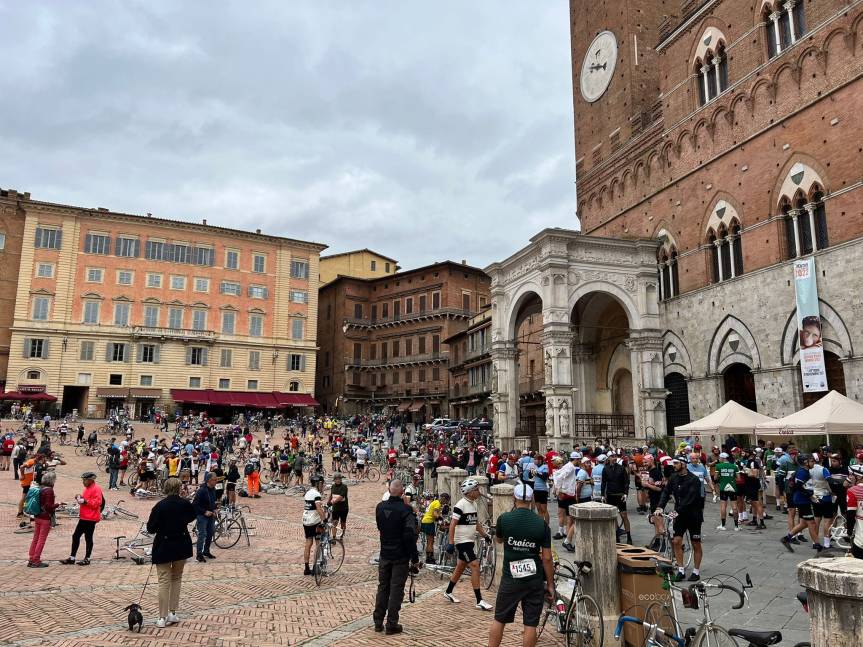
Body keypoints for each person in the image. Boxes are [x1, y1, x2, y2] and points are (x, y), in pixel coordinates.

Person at [487, 483, 554, 647]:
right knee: (530, 624)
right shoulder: (541, 524)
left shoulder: (504, 519)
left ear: (514, 499)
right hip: (533, 579)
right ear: (532, 500)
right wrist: (550, 585)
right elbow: (547, 558)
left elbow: (499, 540)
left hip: (510, 579)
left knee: (499, 619)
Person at [146, 477, 197, 628]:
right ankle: (172, 612)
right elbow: (192, 516)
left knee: (164, 581)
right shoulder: (185, 503)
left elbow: (150, 528)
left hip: (164, 545)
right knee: (176, 578)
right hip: (181, 543)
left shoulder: (160, 506)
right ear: (179, 488)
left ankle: (162, 617)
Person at [373, 479, 419, 635]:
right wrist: (415, 558)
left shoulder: (380, 507)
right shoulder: (406, 510)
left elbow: (380, 527)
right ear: (402, 492)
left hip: (384, 553)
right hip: (400, 556)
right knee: (396, 589)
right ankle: (392, 623)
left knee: (383, 587)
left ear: (389, 490)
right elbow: (410, 536)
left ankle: (378, 621)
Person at [442, 478, 494, 610]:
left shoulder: (473, 504)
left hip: (469, 541)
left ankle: (448, 591)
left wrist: (485, 535)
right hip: (462, 541)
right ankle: (479, 600)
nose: (478, 491)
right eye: (476, 489)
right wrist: (451, 543)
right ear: (469, 492)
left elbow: (475, 523)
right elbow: (452, 524)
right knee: (475, 565)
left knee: (460, 567)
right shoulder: (460, 505)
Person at [655, 457, 704, 581]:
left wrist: (677, 511)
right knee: (676, 541)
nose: (674, 465)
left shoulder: (694, 480)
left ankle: (696, 571)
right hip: (680, 516)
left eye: (676, 463)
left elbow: (690, 499)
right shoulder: (674, 477)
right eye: (674, 463)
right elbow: (666, 492)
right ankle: (681, 570)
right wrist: (660, 507)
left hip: (693, 516)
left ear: (684, 464)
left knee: (696, 543)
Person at [60, 472, 104, 566]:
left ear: (90, 480)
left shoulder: (96, 488)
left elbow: (98, 502)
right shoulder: (87, 488)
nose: (83, 482)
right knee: (76, 536)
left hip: (90, 518)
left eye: (85, 480)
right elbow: (87, 500)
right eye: (83, 480)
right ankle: (72, 558)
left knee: (87, 537)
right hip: (84, 516)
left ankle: (87, 558)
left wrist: (85, 501)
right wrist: (79, 497)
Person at [27, 470, 60, 567]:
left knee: (35, 539)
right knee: (41, 540)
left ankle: (31, 558)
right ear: (52, 480)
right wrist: (58, 504)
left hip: (37, 516)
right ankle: (36, 560)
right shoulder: (49, 490)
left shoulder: (40, 488)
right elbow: (48, 507)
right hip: (45, 518)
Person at [602, 451, 633, 544]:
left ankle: (629, 536)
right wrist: (602, 495)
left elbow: (626, 482)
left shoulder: (621, 468)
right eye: (612, 456)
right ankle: (616, 535)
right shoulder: (605, 469)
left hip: (620, 494)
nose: (614, 458)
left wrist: (626, 493)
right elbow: (603, 483)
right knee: (613, 516)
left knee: (624, 515)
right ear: (608, 458)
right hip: (610, 495)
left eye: (615, 456)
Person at [552, 452, 580, 545]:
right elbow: (559, 477)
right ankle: (568, 541)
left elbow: (556, 475)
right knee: (570, 520)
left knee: (564, 516)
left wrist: (558, 489)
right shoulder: (570, 467)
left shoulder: (568, 465)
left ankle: (565, 537)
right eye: (579, 460)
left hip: (565, 493)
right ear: (576, 459)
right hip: (568, 494)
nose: (579, 461)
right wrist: (558, 489)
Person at [302, 474, 325, 575]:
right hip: (314, 521)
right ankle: (316, 566)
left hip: (306, 520)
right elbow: (318, 508)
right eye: (321, 484)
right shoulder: (316, 494)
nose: (322, 485)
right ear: (318, 483)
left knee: (308, 543)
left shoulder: (308, 493)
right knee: (318, 543)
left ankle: (306, 568)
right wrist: (324, 519)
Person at [193, 472, 218, 562]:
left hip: (211, 515)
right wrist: (204, 512)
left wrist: (215, 509)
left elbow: (213, 501)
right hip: (202, 516)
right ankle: (199, 554)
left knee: (210, 533)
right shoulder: (201, 491)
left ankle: (206, 551)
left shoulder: (213, 489)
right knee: (202, 534)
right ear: (209, 480)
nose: (216, 481)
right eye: (215, 480)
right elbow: (194, 505)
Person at [420, 491, 450, 564]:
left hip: (425, 521)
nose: (446, 503)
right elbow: (435, 513)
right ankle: (430, 559)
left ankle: (429, 558)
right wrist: (442, 519)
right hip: (429, 522)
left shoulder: (435, 501)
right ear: (443, 498)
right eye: (446, 501)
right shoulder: (438, 503)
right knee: (430, 541)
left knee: (429, 541)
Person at [714, 453, 740, 531]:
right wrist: (731, 478)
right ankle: (736, 526)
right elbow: (738, 478)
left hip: (723, 487)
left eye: (720, 458)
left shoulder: (718, 466)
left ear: (723, 458)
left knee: (723, 506)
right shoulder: (734, 466)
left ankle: (723, 525)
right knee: (734, 507)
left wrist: (721, 477)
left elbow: (715, 478)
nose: (719, 459)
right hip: (733, 488)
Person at [846, 464, 863, 559]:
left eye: (851, 475)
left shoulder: (853, 491)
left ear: (859, 477)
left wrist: (849, 531)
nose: (850, 477)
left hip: (861, 539)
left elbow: (850, 515)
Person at [328, 473, 349, 539]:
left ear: (341, 479)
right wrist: (328, 501)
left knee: (343, 522)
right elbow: (331, 494)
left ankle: (342, 535)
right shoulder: (333, 486)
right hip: (335, 508)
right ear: (334, 480)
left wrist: (333, 502)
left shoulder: (344, 487)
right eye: (336, 479)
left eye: (339, 479)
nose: (338, 480)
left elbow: (341, 496)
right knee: (334, 522)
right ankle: (334, 537)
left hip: (343, 508)